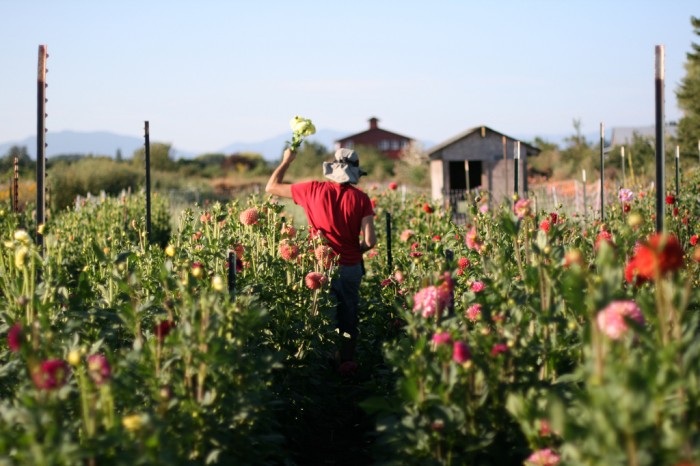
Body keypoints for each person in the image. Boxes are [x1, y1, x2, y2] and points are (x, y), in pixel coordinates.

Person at [265, 147, 376, 365]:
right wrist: (355, 249)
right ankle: (346, 366)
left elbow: (271, 187)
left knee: (321, 317)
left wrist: (287, 160)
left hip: (320, 265)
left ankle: (322, 368)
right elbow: (371, 241)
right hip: (350, 266)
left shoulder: (311, 189)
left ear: (333, 168)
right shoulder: (361, 199)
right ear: (354, 173)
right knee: (348, 320)